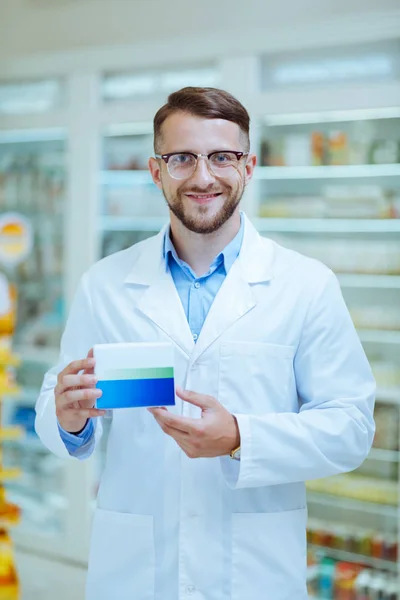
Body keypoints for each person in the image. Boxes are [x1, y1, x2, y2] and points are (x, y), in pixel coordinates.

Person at [35, 87, 375, 600]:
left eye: (222, 157)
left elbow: (350, 427)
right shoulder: (104, 284)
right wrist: (67, 417)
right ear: (156, 171)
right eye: (181, 159)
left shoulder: (305, 285)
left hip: (253, 573)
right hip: (135, 572)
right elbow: (57, 409)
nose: (202, 176)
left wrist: (241, 436)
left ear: (249, 166)